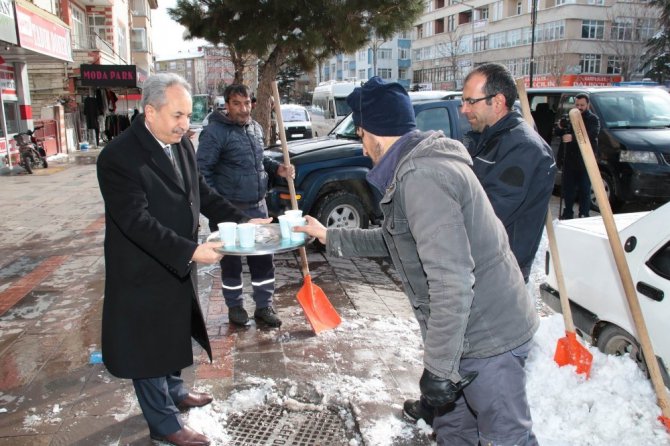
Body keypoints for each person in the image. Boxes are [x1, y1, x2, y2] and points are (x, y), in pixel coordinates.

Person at [295, 77, 539, 445]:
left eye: (360, 135)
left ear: (373, 131)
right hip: (463, 335)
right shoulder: (413, 167)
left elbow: (452, 280)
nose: (362, 148)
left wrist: (439, 368)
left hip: (489, 337)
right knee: (453, 430)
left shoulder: (422, 176)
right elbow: (395, 239)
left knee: (507, 437)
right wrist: (329, 235)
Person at [97, 73, 271, 446]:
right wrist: (191, 250)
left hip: (175, 262)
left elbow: (202, 193)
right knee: (146, 345)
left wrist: (242, 220)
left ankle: (175, 390)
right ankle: (164, 425)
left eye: (188, 115)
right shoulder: (118, 157)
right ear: (150, 111)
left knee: (173, 328)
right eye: (177, 115)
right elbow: (135, 221)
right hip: (142, 267)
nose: (185, 124)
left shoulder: (180, 144)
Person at [403, 63, 556, 429]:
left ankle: (466, 413)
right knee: (454, 340)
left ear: (498, 101)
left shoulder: (525, 150)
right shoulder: (482, 138)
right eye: (462, 101)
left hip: (494, 280)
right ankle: (442, 405)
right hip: (468, 269)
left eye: (470, 101)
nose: (463, 109)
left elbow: (487, 215)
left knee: (490, 378)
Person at [197, 84, 294, 328]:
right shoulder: (215, 133)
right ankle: (235, 306)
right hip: (230, 210)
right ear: (227, 105)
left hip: (258, 206)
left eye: (247, 103)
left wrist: (278, 169)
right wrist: (217, 205)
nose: (243, 109)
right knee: (231, 261)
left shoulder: (255, 128)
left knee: (263, 258)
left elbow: (260, 159)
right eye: (237, 104)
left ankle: (264, 305)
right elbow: (202, 172)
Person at [556, 93, 600, 219]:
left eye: (582, 105)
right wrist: (560, 127)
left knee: (584, 190)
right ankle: (568, 212)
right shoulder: (570, 116)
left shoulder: (593, 119)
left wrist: (573, 137)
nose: (579, 107)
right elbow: (559, 132)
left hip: (585, 161)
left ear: (588, 105)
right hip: (569, 160)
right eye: (577, 105)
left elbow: (591, 135)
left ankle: (584, 213)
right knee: (568, 190)